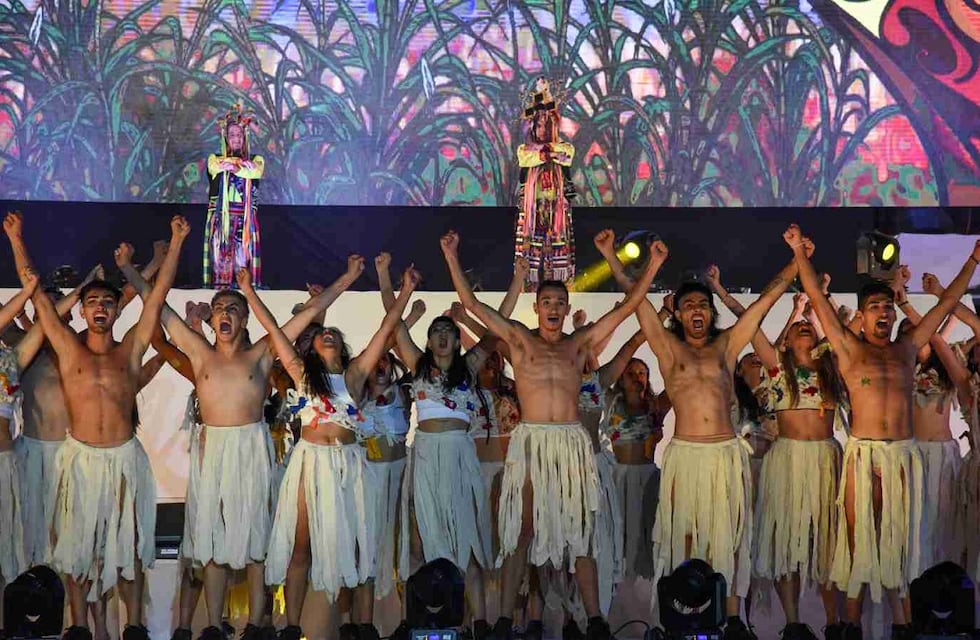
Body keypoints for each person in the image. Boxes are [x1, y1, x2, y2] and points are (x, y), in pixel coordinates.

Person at [121, 252, 365, 640]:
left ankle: (255, 624)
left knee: (255, 538)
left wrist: (348, 276)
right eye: (219, 308)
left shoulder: (262, 353)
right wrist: (129, 270)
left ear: (244, 318)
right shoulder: (199, 352)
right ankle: (215, 625)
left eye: (233, 308)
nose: (225, 313)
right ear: (212, 319)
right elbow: (160, 311)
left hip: (251, 450)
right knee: (212, 540)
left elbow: (312, 310)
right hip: (213, 451)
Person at [441, 228, 667, 640]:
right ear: (536, 305)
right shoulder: (519, 339)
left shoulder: (579, 343)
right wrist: (452, 255)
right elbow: (472, 304)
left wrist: (652, 265)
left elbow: (632, 304)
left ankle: (595, 619)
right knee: (522, 532)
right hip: (531, 441)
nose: (553, 307)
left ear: (566, 309)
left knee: (579, 532)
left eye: (560, 302)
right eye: (546, 301)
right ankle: (507, 619)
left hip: (570, 443)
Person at [598, 230, 803, 640]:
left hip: (726, 456)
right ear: (677, 313)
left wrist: (797, 259)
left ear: (711, 314)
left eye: (703, 305)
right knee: (684, 536)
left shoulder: (727, 347)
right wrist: (613, 256)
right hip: (686, 458)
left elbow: (764, 302)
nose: (697, 310)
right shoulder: (668, 348)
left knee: (727, 537)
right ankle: (679, 616)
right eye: (689, 304)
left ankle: (729, 620)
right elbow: (636, 304)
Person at [788, 224, 980, 640]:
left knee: (901, 543)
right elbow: (818, 299)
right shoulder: (849, 349)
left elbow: (946, 302)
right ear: (864, 313)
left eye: (889, 307)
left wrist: (974, 260)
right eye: (876, 307)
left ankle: (903, 624)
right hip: (864, 456)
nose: (885, 313)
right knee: (860, 545)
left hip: (903, 456)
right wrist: (798, 254)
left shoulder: (907, 348)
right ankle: (850, 626)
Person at [23, 215, 189, 640]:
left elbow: (156, 299)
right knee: (79, 549)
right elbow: (39, 299)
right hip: (79, 459)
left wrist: (176, 242)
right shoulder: (65, 347)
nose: (100, 307)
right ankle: (79, 628)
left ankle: (132, 625)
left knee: (129, 546)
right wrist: (13, 237)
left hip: (123, 460)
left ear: (117, 310)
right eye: (93, 302)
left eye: (108, 303)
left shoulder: (131, 348)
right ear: (82, 309)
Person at [263, 264, 419, 640]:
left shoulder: (354, 375)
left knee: (359, 545)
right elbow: (274, 331)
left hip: (351, 464)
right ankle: (291, 627)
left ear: (342, 347)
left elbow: (386, 331)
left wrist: (406, 292)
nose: (328, 333)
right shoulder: (301, 374)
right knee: (301, 547)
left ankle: (363, 627)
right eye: (322, 334)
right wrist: (250, 291)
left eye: (333, 333)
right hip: (309, 462)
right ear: (313, 348)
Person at [751, 314, 846, 640]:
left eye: (809, 324)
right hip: (787, 460)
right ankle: (792, 624)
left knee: (829, 544)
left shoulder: (833, 371)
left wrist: (822, 304)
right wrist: (725, 293)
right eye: (796, 326)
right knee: (786, 544)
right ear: (786, 342)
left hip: (825, 460)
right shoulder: (777, 371)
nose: (804, 323)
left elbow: (839, 333)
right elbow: (751, 328)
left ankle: (834, 623)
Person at [892, 269, 965, 572]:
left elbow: (940, 337)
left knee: (944, 522)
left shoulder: (948, 367)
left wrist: (906, 300)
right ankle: (913, 588)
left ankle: (946, 585)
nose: (916, 333)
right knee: (913, 524)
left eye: (919, 328)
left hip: (943, 454)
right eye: (909, 331)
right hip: (912, 453)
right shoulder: (899, 370)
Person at [514, 77, 576, 291]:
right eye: (539, 125)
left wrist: (547, 151)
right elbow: (529, 158)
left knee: (556, 255)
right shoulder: (525, 150)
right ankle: (529, 290)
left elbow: (565, 155)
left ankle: (557, 289)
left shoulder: (565, 147)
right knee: (530, 253)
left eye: (547, 124)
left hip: (556, 209)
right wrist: (547, 152)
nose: (543, 129)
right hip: (533, 209)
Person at [203, 105, 264, 289]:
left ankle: (246, 296)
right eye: (232, 135)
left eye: (239, 135)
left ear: (245, 137)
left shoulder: (256, 160)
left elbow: (255, 173)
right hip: (221, 217)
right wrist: (235, 165)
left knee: (243, 262)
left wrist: (238, 168)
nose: (236, 139)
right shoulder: (214, 158)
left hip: (245, 220)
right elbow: (215, 168)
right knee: (219, 260)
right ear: (226, 139)